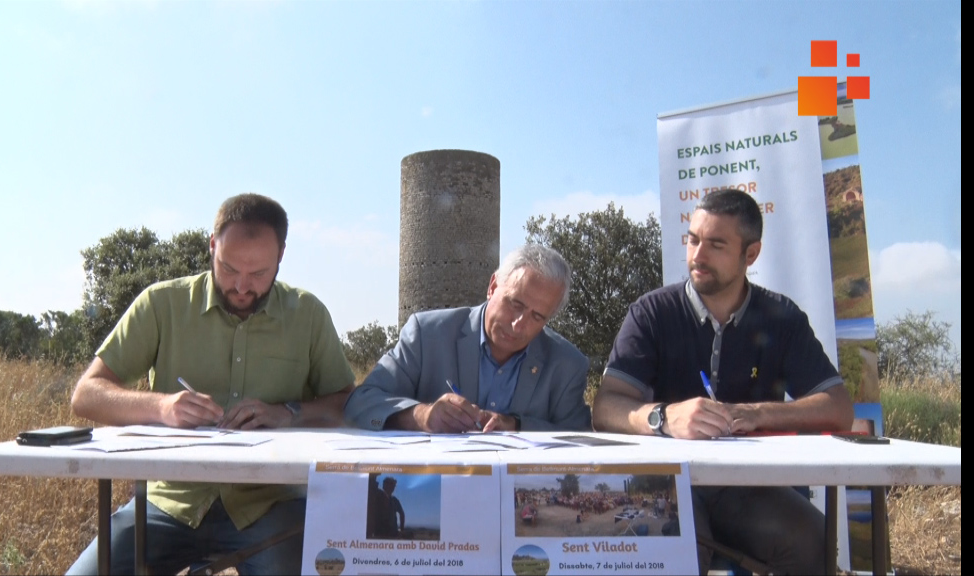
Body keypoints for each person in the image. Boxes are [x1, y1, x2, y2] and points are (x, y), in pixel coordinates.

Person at [66, 193, 356, 575]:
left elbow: (347, 403)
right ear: (212, 245)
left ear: (281, 256)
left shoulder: (309, 315)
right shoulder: (161, 304)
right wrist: (161, 407)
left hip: (270, 506)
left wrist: (288, 412)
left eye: (258, 274)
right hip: (170, 501)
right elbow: (86, 395)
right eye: (228, 268)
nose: (241, 286)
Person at [592, 188, 854, 575]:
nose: (697, 256)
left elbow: (838, 409)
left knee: (813, 541)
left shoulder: (782, 317)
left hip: (747, 489)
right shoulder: (652, 312)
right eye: (693, 239)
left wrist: (753, 413)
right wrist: (663, 418)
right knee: (678, 554)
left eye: (715, 244)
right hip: (670, 485)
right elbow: (605, 407)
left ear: (751, 254)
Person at [344, 244, 590, 433]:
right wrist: (421, 415)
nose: (519, 325)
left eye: (537, 316)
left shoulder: (566, 365)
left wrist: (517, 425)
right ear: (493, 286)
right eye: (515, 304)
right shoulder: (427, 334)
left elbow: (580, 440)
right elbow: (360, 404)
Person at [367, 475, 405, 539]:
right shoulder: (378, 495)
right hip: (380, 532)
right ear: (385, 485)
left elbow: (402, 514)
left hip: (392, 532)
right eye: (390, 485)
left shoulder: (394, 500)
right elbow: (371, 485)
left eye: (393, 486)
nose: (392, 487)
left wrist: (402, 529)